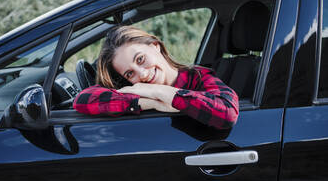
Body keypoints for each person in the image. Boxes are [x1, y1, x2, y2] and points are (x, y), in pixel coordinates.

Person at [73, 26, 239, 129]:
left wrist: (159, 91)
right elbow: (83, 100)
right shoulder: (135, 89)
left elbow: (227, 112)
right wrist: (151, 102)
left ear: (155, 46)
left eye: (140, 59)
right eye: (130, 73)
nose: (143, 75)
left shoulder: (199, 77)